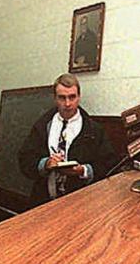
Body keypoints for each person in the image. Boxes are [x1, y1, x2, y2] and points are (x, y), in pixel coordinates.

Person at [18, 73, 118, 206]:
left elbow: (109, 165)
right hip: (44, 202)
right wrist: (46, 164)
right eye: (62, 98)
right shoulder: (42, 126)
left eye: (72, 97)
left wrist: (83, 170)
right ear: (55, 98)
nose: (67, 103)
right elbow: (25, 159)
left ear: (79, 97)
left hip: (81, 204)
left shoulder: (94, 130)